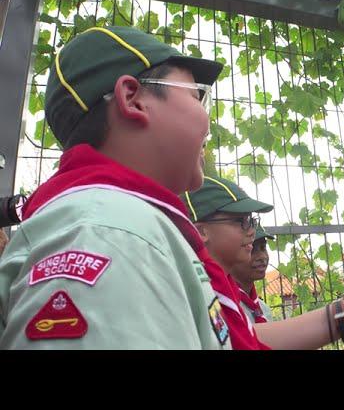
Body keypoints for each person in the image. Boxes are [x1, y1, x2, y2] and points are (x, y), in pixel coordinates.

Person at [0, 25, 231, 349]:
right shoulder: (108, 233)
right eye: (197, 95)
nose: (207, 116)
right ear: (132, 99)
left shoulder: (121, 225)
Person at [182, 176, 344, 350]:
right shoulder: (190, 288)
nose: (251, 231)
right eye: (241, 222)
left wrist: (343, 314)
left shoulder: (224, 288)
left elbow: (249, 337)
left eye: (252, 221)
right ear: (201, 231)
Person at [230, 224, 274, 323]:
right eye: (252, 249)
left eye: (263, 248)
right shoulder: (227, 306)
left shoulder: (263, 309)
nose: (262, 256)